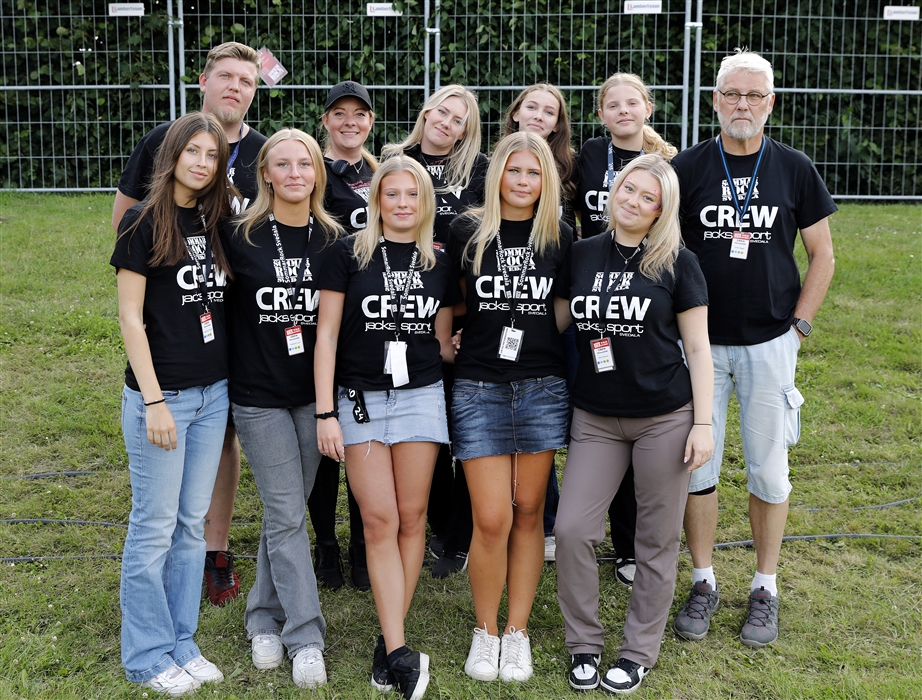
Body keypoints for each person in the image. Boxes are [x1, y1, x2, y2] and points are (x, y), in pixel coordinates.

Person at [671, 49, 836, 649]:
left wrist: (799, 328)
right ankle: (704, 579)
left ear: (771, 102)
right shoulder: (687, 168)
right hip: (701, 344)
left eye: (755, 96)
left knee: (769, 469)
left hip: (771, 341)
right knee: (698, 466)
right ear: (714, 100)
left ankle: (765, 587)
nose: (743, 105)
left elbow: (823, 255)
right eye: (732, 94)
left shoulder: (793, 167)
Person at [111, 41, 268, 606]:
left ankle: (212, 552)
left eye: (245, 80)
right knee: (158, 505)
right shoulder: (163, 142)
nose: (234, 86)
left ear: (255, 89)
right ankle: (156, 606)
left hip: (229, 330)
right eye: (224, 75)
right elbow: (128, 218)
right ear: (203, 80)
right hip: (172, 337)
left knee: (218, 444)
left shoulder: (262, 153)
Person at [555, 154, 714, 694]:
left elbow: (697, 346)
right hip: (596, 416)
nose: (635, 202)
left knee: (655, 538)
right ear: (614, 191)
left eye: (650, 198)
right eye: (630, 190)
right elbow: (549, 319)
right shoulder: (579, 254)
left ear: (661, 210)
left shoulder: (677, 262)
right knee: (573, 529)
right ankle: (584, 644)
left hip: (664, 418)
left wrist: (704, 423)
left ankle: (639, 651)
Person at [314, 156, 461, 700]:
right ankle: (400, 650)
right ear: (376, 199)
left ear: (425, 203)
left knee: (413, 517)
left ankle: (390, 640)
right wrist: (325, 412)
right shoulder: (346, 254)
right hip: (359, 402)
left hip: (421, 397)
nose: (402, 203)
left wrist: (465, 346)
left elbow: (442, 340)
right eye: (391, 194)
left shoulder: (441, 262)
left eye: (412, 195)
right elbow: (325, 336)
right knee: (379, 521)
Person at [111, 112, 233, 696]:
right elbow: (131, 319)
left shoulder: (216, 222)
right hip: (164, 399)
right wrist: (154, 400)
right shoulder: (141, 221)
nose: (203, 163)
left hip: (214, 396)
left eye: (213, 156)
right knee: (154, 528)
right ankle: (146, 654)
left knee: (191, 526)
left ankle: (183, 641)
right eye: (195, 153)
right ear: (174, 155)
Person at [222, 129, 344, 688]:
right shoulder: (238, 236)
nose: (295, 173)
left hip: (315, 399)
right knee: (289, 513)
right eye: (283, 164)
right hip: (259, 397)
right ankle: (306, 635)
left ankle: (261, 616)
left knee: (286, 511)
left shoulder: (335, 240)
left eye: (306, 164)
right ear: (265, 174)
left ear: (318, 173)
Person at [449, 132, 572, 683]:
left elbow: (565, 309)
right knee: (492, 517)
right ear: (497, 173)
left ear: (546, 180)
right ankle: (486, 630)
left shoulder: (560, 237)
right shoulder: (466, 230)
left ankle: (517, 632)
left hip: (541, 386)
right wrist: (444, 340)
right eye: (514, 171)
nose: (523, 182)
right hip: (479, 386)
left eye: (534, 173)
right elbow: (448, 299)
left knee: (529, 511)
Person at [572, 72, 679, 584]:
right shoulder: (589, 156)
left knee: (642, 420)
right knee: (600, 417)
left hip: (642, 293)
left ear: (647, 109)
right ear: (600, 114)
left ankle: (637, 545)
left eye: (631, 103)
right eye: (611, 104)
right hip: (593, 291)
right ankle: (599, 534)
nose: (621, 111)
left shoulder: (668, 163)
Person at [383, 84, 489, 576]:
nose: (447, 123)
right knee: (426, 433)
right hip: (398, 314)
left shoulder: (480, 172)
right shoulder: (392, 159)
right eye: (442, 112)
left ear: (467, 131)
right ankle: (434, 524)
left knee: (462, 428)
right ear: (426, 112)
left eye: (459, 119)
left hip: (464, 314)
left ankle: (459, 537)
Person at [502, 82, 579, 563]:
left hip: (551, 309)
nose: (539, 115)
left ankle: (545, 520)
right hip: (499, 314)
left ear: (558, 124)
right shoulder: (494, 167)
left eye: (549, 111)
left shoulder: (574, 168)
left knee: (545, 416)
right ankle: (500, 517)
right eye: (532, 105)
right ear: (515, 112)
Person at [309, 80, 380, 591]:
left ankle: (359, 542)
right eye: (340, 113)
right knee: (323, 443)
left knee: (360, 438)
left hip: (368, 318)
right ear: (327, 120)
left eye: (359, 114)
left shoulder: (382, 173)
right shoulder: (311, 169)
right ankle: (325, 544)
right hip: (315, 306)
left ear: (370, 122)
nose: (349, 121)